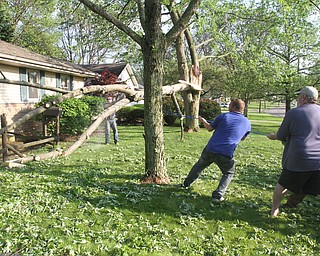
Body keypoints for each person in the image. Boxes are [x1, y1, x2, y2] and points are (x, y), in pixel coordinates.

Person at [182, 99, 251, 203]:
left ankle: (185, 184)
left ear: (233, 107)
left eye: (230, 104)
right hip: (226, 153)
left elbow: (209, 128)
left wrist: (203, 121)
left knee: (199, 166)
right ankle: (218, 195)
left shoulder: (223, 116)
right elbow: (242, 138)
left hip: (211, 149)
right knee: (228, 173)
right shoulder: (247, 122)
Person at [267, 86, 320, 217]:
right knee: (310, 186)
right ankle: (291, 204)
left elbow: (281, 135)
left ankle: (274, 209)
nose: (297, 99)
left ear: (303, 97)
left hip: (298, 158)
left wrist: (273, 136)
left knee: (282, 184)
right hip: (317, 160)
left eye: (298, 96)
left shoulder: (293, 113)